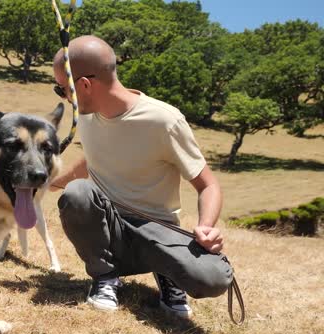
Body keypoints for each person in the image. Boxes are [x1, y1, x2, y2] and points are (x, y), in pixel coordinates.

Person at [50, 35, 233, 318]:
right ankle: (105, 277)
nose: (63, 96)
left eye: (62, 89)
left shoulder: (164, 120)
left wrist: (206, 227)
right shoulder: (87, 117)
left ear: (84, 85)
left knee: (213, 277)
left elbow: (208, 185)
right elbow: (93, 160)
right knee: (76, 193)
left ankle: (168, 273)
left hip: (156, 230)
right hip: (108, 226)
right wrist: (48, 184)